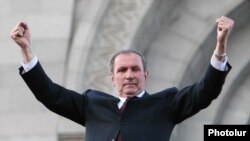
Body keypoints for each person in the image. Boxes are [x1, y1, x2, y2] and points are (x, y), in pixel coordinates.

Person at [10, 16, 234, 141]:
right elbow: (50, 94)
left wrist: (220, 46)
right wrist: (26, 50)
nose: (129, 75)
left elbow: (206, 91)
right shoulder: (92, 105)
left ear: (145, 75)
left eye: (135, 70)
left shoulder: (167, 104)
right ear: (112, 78)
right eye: (122, 70)